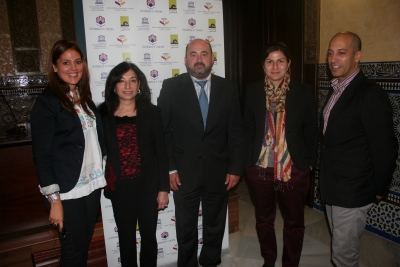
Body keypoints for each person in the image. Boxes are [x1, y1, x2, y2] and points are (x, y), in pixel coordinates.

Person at [157, 39, 245, 267]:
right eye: (193, 54)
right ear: (186, 60)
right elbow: (163, 132)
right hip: (183, 173)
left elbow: (236, 132)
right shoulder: (170, 87)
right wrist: (170, 168)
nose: (199, 59)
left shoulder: (229, 88)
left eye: (204, 54)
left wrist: (235, 168)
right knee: (185, 227)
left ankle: (210, 261)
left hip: (219, 171)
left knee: (215, 224)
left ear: (212, 58)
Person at [319, 31, 398, 267]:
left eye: (341, 53)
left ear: (357, 56)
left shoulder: (371, 94)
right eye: (331, 53)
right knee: (341, 247)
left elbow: (385, 148)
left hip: (353, 190)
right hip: (334, 187)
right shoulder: (336, 89)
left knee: (343, 257)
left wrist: (379, 188)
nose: (333, 58)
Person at [31, 40, 106, 267]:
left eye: (77, 61)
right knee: (72, 251)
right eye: (65, 62)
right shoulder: (47, 102)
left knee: (82, 245)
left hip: (90, 186)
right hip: (67, 191)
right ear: (55, 67)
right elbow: (41, 156)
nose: (73, 68)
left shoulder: (84, 98)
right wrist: (54, 200)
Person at [243, 42, 319, 267]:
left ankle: (290, 263)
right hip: (260, 168)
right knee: (264, 219)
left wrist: (310, 165)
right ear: (263, 65)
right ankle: (269, 259)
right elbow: (246, 127)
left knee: (294, 222)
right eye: (270, 61)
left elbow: (311, 131)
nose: (275, 66)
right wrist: (247, 162)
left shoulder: (303, 91)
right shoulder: (253, 90)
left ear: (289, 64)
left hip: (293, 168)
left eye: (280, 60)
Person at [99, 62, 169, 267]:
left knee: (149, 237)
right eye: (121, 80)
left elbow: (161, 153)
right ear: (113, 85)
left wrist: (163, 188)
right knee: (126, 239)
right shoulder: (102, 114)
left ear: (140, 85)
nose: (127, 85)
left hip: (148, 186)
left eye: (132, 80)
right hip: (120, 188)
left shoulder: (152, 112)